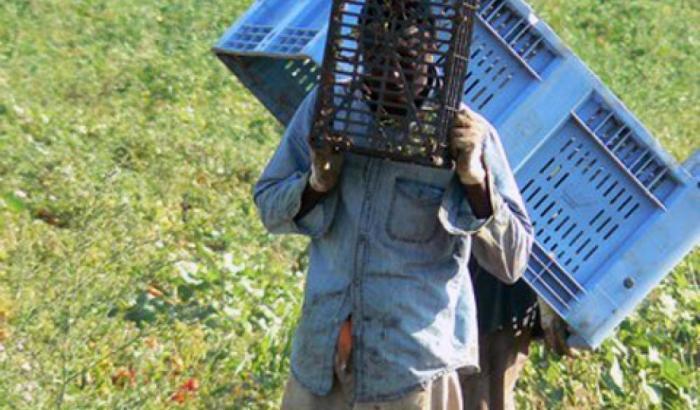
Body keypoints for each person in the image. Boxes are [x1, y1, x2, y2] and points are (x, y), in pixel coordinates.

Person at [253, 2, 534, 408]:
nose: (390, 74)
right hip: (323, 362)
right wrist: (317, 183)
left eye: (404, 58)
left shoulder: (465, 133)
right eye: (376, 58)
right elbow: (268, 205)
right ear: (358, 52)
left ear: (433, 50)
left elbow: (513, 261)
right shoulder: (328, 112)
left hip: (411, 372)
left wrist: (474, 180)